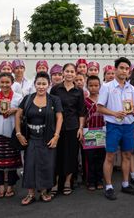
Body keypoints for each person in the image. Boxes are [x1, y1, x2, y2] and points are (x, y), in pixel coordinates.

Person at [97, 57, 134, 200]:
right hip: (113, 126)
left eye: (126, 69)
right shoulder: (107, 86)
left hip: (128, 125)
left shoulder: (131, 88)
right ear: (115, 69)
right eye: (121, 68)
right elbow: (99, 107)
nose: (124, 71)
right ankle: (109, 187)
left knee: (127, 155)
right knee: (110, 156)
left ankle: (125, 184)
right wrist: (114, 113)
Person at [15, 72, 63, 205]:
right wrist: (19, 134)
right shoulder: (28, 98)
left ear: (48, 85)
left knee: (46, 165)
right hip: (31, 137)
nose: (41, 87)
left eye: (44, 84)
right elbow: (18, 115)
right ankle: (30, 194)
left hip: (47, 136)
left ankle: (43, 192)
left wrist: (56, 136)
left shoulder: (54, 99)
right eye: (39, 83)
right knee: (30, 165)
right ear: (34, 84)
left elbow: (59, 117)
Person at [50, 63, 87, 196]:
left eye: (72, 71)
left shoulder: (79, 91)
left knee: (71, 155)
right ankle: (55, 182)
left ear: (75, 74)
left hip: (73, 127)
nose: (70, 74)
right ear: (63, 73)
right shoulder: (55, 89)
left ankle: (67, 182)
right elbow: (51, 108)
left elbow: (81, 111)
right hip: (57, 128)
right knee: (57, 155)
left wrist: (81, 128)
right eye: (67, 71)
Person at [0, 73, 23, 198]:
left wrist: (16, 110)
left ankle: (10, 186)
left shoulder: (18, 98)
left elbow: (23, 114)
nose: (5, 85)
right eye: (2, 82)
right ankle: (1, 186)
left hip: (11, 133)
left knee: (12, 162)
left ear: (12, 83)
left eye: (7, 82)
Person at [84, 75, 106, 191]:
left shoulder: (103, 100)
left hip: (102, 132)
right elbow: (82, 117)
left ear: (100, 86)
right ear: (87, 86)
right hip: (89, 133)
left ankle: (99, 179)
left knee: (101, 157)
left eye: (96, 85)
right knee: (90, 158)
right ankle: (91, 180)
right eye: (91, 85)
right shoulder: (85, 101)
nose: (93, 88)